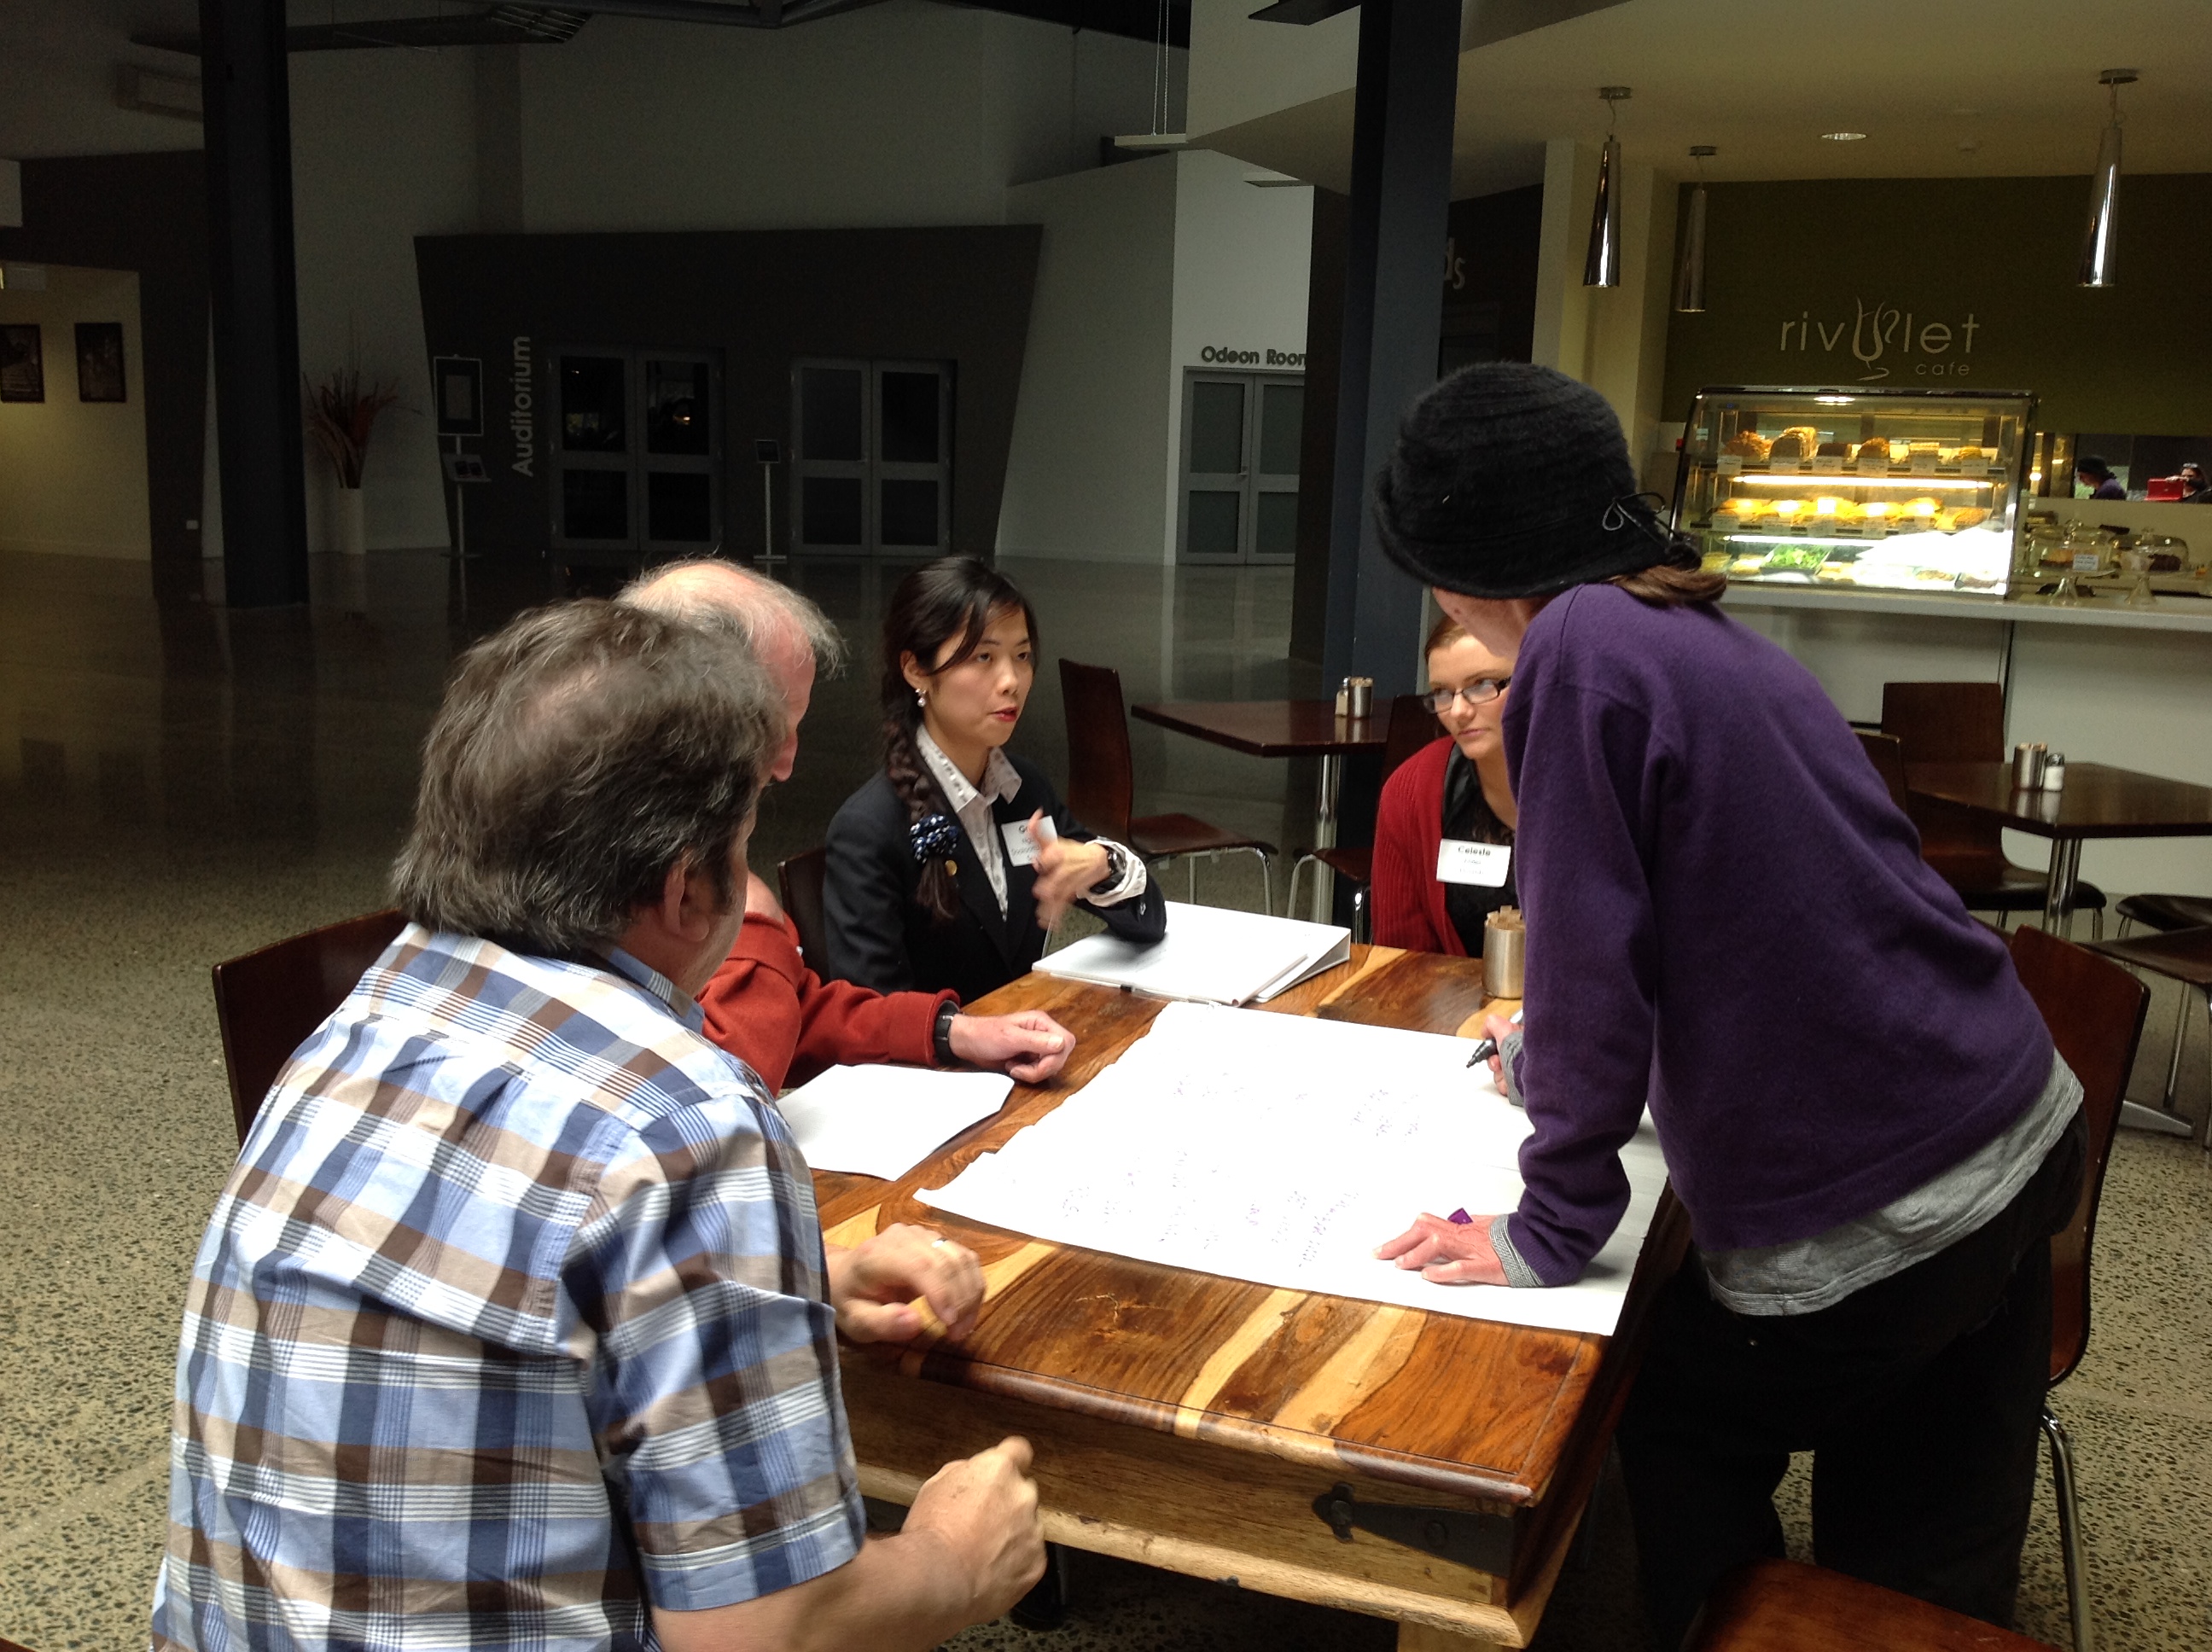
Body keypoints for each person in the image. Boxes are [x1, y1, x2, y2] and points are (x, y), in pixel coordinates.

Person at [152, 600, 1045, 1652]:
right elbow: (763, 1635)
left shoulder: (361, 1023)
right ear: (686, 887)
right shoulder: (687, 1119)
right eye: (746, 840)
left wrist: (794, 1279)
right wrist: (952, 1558)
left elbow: (492, 1273)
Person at [1365, 364, 2085, 1648]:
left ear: (1461, 576)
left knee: (1659, 1393)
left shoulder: (1574, 654)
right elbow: (1729, 925)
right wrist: (1552, 1063)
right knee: (1923, 1545)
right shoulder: (1694, 631)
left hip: (1885, 1192)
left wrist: (1550, 1226)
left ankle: (1716, 1622)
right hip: (2011, 1118)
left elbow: (1591, 959)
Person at [622, 560, 1078, 1092]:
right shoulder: (620, 890)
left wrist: (953, 1031)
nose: (787, 763)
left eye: (1023, 656)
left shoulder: (1024, 786)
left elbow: (810, 1015)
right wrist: (755, 926)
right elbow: (729, 1088)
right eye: (770, 725)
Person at [824, 556, 1166, 1001]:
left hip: (1029, 1033)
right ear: (916, 670)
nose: (1011, 681)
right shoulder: (868, 829)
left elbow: (1148, 920)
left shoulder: (1023, 789)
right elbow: (874, 1017)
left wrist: (1102, 864)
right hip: (953, 1048)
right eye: (983, 657)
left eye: (1022, 656)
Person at [1370, 613, 1518, 955]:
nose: (1458, 711)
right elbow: (1402, 958)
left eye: (1482, 684)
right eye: (1442, 693)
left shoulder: (1602, 779)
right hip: (1452, 989)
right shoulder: (1411, 790)